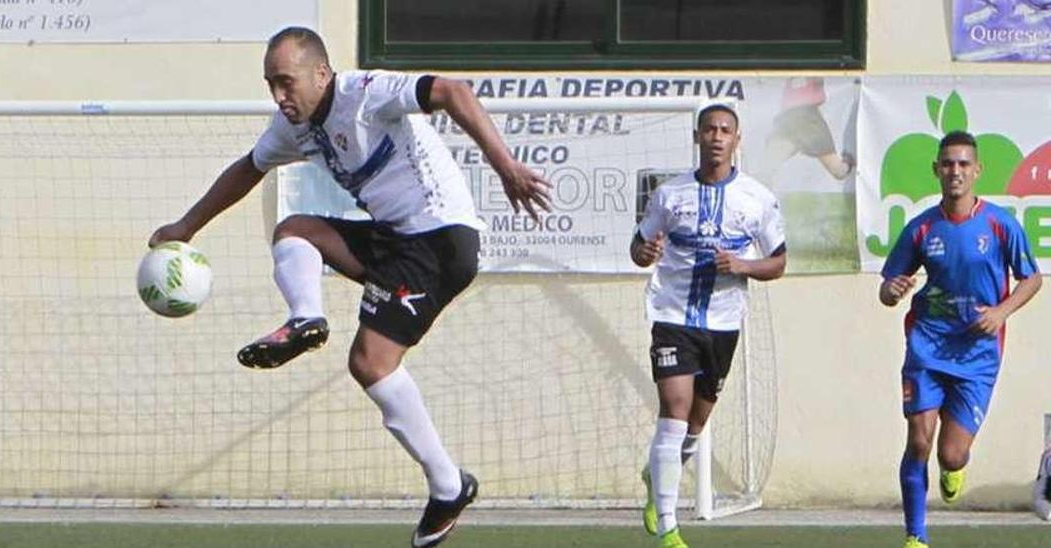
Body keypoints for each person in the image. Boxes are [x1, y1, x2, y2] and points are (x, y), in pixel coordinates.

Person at [148, 27, 549, 547]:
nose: (278, 96)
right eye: (270, 84)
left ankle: (449, 487)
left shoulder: (364, 94)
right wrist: (186, 227)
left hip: (439, 239)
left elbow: (453, 91)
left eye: (286, 82)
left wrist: (505, 165)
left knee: (370, 362)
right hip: (395, 238)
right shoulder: (294, 126)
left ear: (321, 73)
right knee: (294, 230)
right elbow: (247, 169)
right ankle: (305, 318)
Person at [630, 104, 786, 548]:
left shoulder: (757, 198)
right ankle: (667, 526)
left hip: (722, 321)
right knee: (674, 410)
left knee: (696, 422)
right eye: (710, 130)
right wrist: (645, 253)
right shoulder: (668, 194)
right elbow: (639, 246)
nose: (717, 137)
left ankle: (656, 474)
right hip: (672, 315)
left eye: (725, 131)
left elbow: (778, 262)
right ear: (697, 137)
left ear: (737, 141)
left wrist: (743, 264)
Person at [879, 130, 1041, 548]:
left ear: (977, 170)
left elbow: (1032, 278)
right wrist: (891, 292)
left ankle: (953, 468)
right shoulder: (920, 228)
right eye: (948, 163)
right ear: (936, 170)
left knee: (950, 453)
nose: (955, 171)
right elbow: (887, 289)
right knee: (918, 438)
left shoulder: (1001, 225)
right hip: (927, 345)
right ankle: (916, 536)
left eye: (963, 164)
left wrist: (1002, 312)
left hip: (978, 354)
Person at [759, 77, 853, 186]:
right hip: (793, 117)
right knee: (765, 169)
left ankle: (849, 162)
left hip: (801, 117)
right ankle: (762, 199)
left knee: (766, 169)